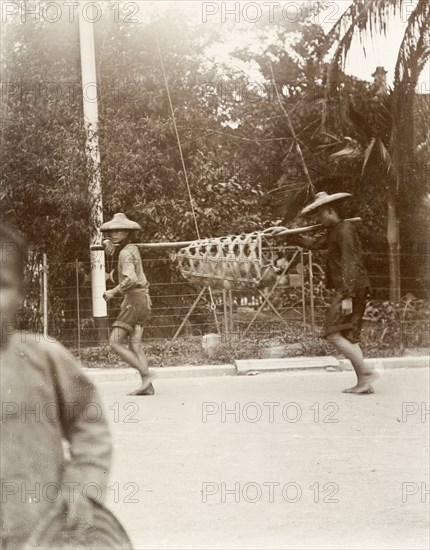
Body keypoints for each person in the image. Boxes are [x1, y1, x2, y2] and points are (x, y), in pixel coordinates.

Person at [0, 223, 112, 548]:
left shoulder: (45, 358)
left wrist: (83, 485)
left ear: (21, 292)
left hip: (40, 527)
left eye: (1, 284)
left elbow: (89, 422)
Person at [298, 192, 381, 394]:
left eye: (320, 215)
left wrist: (347, 297)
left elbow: (350, 264)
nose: (318, 219)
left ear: (330, 211)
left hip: (352, 288)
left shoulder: (344, 230)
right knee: (349, 335)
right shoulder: (335, 230)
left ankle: (366, 373)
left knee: (331, 333)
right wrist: (289, 234)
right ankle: (364, 382)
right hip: (352, 288)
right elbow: (314, 244)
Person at [101, 213, 155, 396]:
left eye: (119, 230)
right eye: (111, 231)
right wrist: (105, 243)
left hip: (134, 301)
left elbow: (130, 279)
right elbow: (113, 247)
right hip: (142, 300)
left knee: (114, 342)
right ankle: (147, 387)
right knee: (135, 345)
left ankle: (147, 376)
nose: (114, 234)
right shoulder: (131, 248)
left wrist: (113, 291)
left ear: (127, 232)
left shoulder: (125, 252)